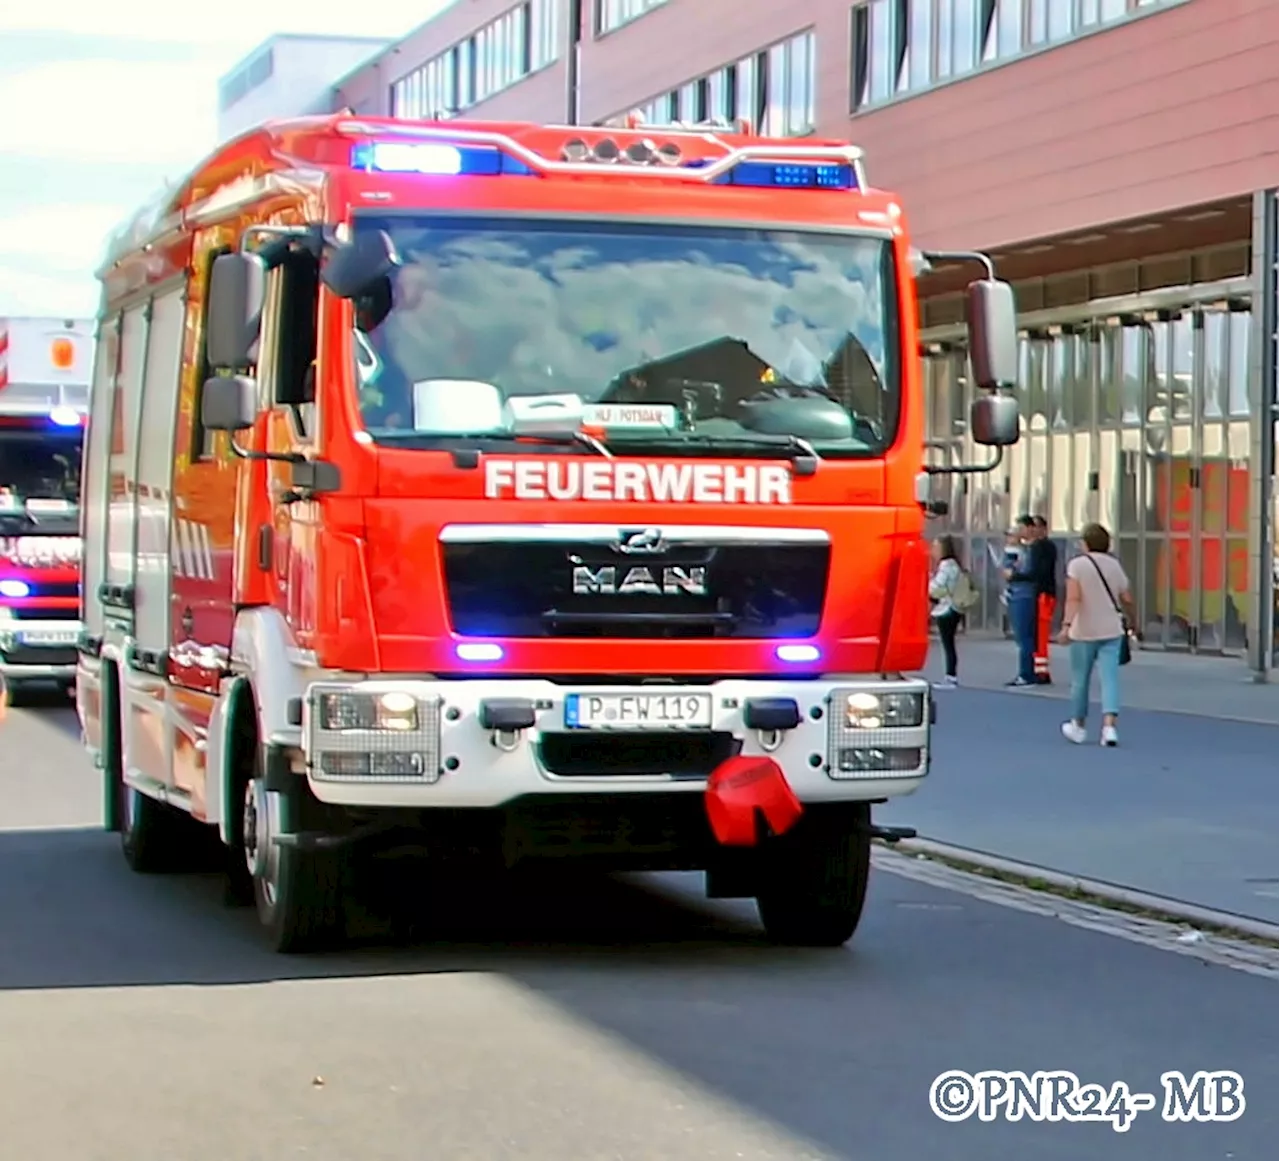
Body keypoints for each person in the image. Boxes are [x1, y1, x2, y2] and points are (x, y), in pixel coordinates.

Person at [1057, 521, 1135, 747]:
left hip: (1084, 630)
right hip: (1111, 628)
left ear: (1085, 543)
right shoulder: (1114, 565)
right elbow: (1126, 598)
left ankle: (1078, 725)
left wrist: (1066, 625)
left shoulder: (1077, 566)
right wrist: (1133, 621)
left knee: (1080, 680)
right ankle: (1109, 727)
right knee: (1110, 679)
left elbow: (1074, 598)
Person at [1003, 515, 1047, 686]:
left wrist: (1014, 574)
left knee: (1025, 636)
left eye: (1020, 529)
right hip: (1018, 593)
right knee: (1024, 636)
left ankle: (1027, 673)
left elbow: (1030, 571)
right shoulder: (1020, 550)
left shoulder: (1030, 550)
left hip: (1024, 594)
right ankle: (1029, 671)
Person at [927, 535, 966, 688]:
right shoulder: (953, 565)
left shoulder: (946, 565)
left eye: (936, 547)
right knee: (948, 643)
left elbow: (935, 587)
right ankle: (950, 675)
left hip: (947, 608)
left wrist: (929, 580)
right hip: (952, 607)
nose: (933, 551)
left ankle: (950, 676)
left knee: (948, 643)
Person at [1031, 515, 1059, 685]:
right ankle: (1040, 669)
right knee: (1040, 634)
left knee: (1041, 634)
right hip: (1045, 593)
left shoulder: (1041, 547)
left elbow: (1039, 571)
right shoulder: (1048, 547)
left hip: (1043, 594)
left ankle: (1042, 671)